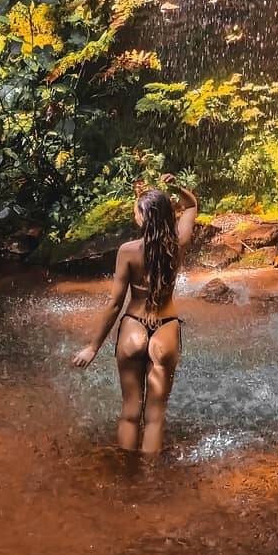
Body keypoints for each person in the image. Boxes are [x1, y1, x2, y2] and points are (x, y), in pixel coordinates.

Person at [71, 175, 199, 453]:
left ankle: (126, 478)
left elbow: (115, 303)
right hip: (165, 329)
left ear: (143, 218)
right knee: (154, 418)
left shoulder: (127, 252)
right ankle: (150, 485)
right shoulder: (178, 244)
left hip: (132, 329)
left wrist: (93, 347)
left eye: (136, 211)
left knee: (130, 412)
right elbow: (191, 207)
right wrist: (177, 187)